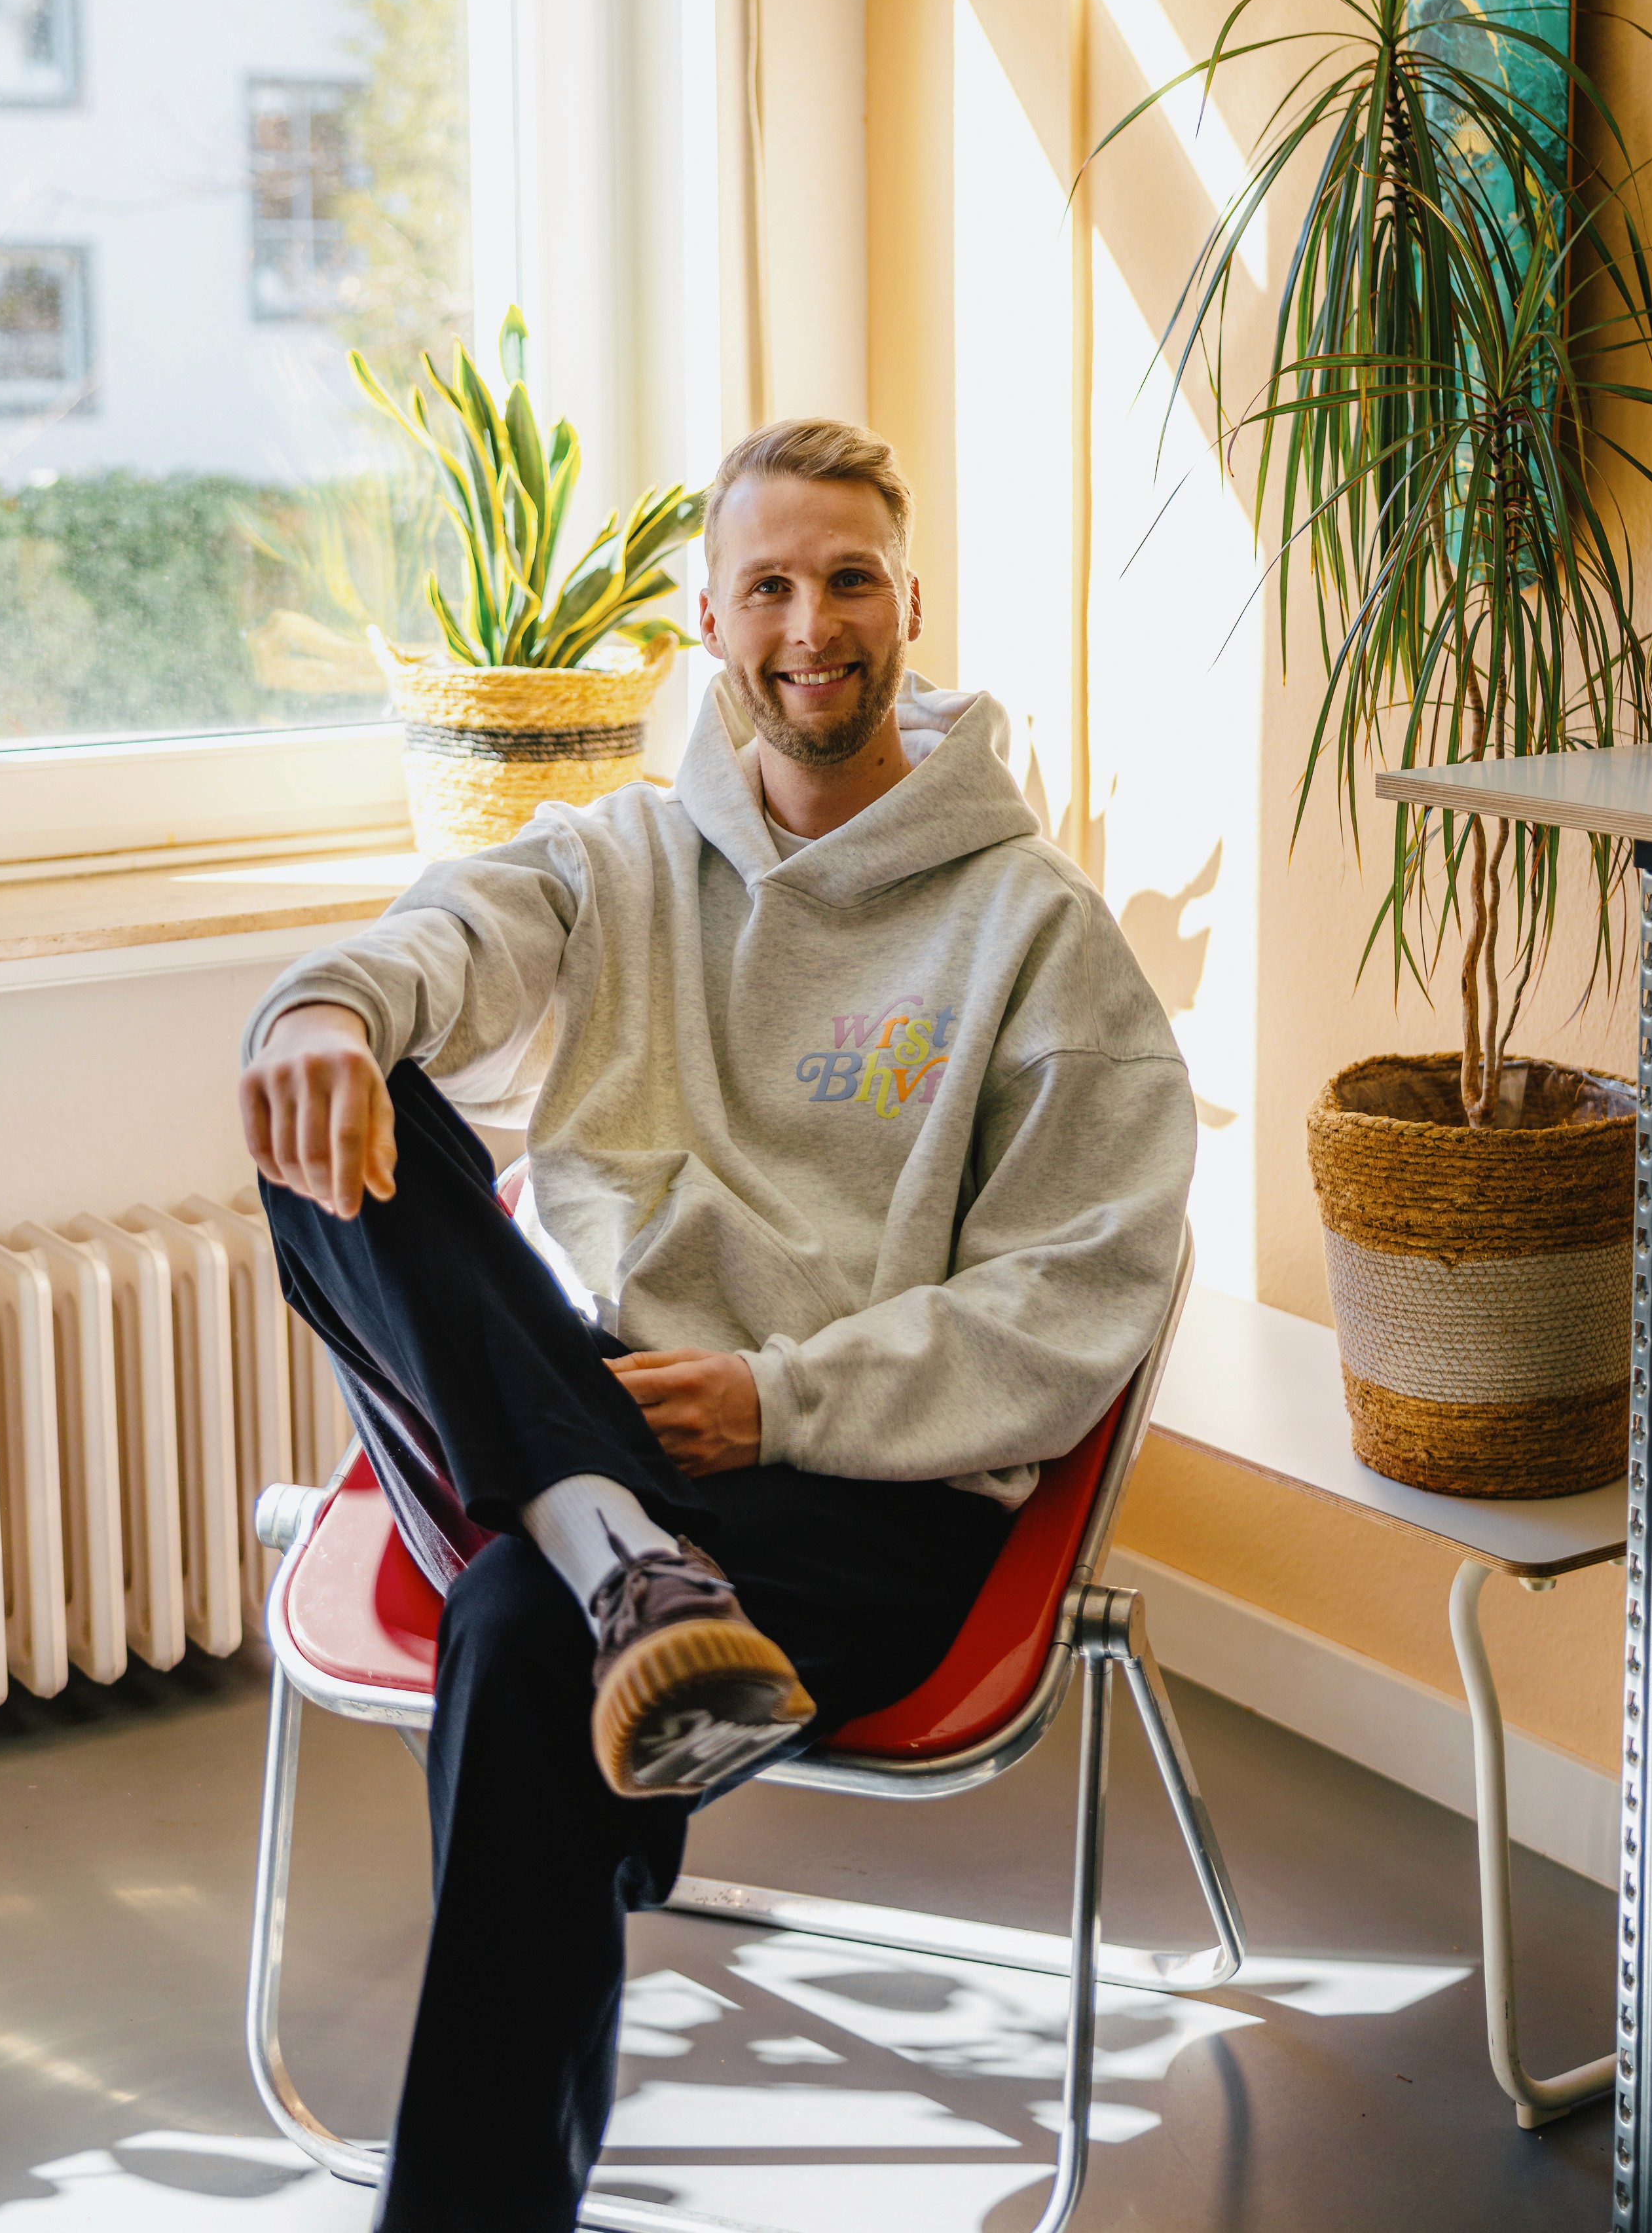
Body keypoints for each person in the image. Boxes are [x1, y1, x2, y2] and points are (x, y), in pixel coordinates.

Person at [240, 415, 1196, 2233]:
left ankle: (601, 1567)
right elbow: (452, 934)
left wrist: (773, 1401)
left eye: (847, 580)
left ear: (909, 605)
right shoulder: (616, 863)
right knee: (317, 1119)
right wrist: (327, 1008)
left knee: (525, 1626)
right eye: (768, 584)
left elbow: (1078, 1296)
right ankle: (621, 1554)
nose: (809, 624)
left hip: (856, 1482)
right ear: (708, 620)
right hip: (598, 1412)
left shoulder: (1034, 930)